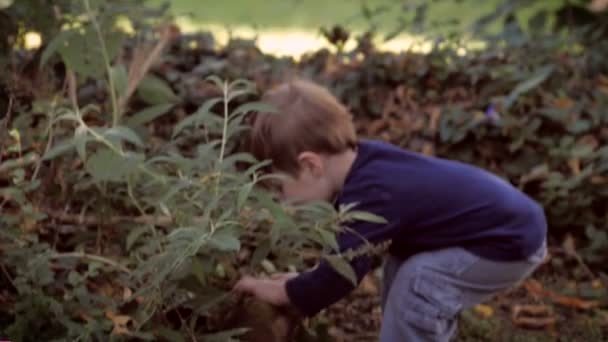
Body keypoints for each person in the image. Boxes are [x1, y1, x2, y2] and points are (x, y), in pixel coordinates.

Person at [233, 79, 547, 341]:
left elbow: (341, 275)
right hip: (507, 225)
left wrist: (287, 293)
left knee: (417, 281)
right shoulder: (367, 164)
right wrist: (305, 283)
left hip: (506, 240)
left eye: (279, 188)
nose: (282, 201)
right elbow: (344, 258)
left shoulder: (372, 194)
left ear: (310, 164)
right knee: (403, 268)